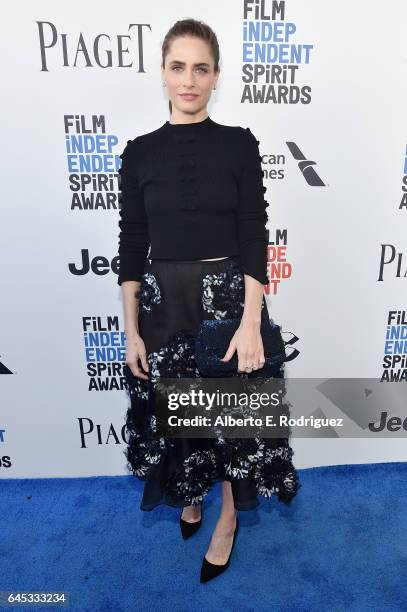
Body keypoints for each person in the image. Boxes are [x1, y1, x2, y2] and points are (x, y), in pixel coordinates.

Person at [117, 18, 300, 583]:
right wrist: (131, 329)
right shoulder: (139, 153)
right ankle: (187, 492)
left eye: (201, 68)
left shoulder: (239, 144)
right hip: (163, 301)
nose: (189, 80)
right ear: (163, 74)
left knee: (228, 419)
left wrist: (250, 322)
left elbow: (253, 233)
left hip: (227, 302)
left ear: (216, 76)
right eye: (178, 67)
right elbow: (132, 243)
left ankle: (227, 520)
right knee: (177, 415)